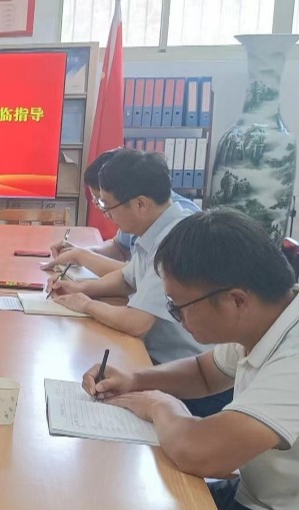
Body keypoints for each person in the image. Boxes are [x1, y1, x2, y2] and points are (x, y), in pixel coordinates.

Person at [81, 209, 299, 510]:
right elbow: (204, 372)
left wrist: (160, 405)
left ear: (236, 301)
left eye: (178, 307)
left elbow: (199, 452)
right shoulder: (267, 317)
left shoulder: (293, 356)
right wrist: (134, 379)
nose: (176, 318)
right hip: (255, 497)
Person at [48, 149, 230, 416]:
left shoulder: (175, 239)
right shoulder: (155, 230)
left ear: (140, 204)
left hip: (193, 383)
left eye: (107, 206)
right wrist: (79, 288)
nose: (106, 214)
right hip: (164, 365)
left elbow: (137, 323)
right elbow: (126, 278)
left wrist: (85, 304)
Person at [45, 147, 201, 277]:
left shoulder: (179, 229)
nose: (105, 213)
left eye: (104, 203)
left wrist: (83, 256)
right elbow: (120, 249)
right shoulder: (142, 212)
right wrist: (79, 252)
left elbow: (135, 275)